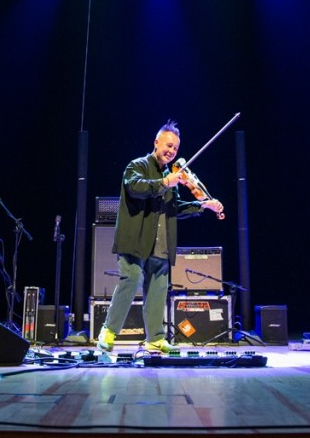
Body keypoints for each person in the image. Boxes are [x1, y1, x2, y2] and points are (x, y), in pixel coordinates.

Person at [96, 120, 224, 354]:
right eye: (168, 145)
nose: (171, 151)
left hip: (161, 244)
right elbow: (136, 188)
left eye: (175, 148)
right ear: (156, 143)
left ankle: (155, 339)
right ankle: (108, 331)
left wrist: (203, 205)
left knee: (158, 291)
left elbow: (174, 208)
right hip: (136, 241)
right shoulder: (137, 166)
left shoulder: (171, 177)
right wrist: (166, 182)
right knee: (131, 279)